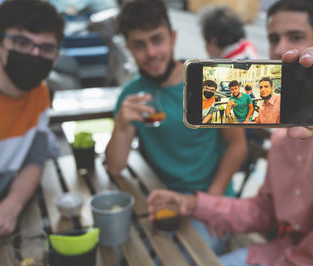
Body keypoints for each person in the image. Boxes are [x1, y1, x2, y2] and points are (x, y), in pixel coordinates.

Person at [147, 0, 313, 265]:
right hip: (285, 256)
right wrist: (193, 203)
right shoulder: (283, 137)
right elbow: (263, 211)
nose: (279, 49)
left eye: (295, 36)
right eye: (273, 38)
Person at [104, 0, 246, 253]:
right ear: (128, 48)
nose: (151, 53)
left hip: (209, 199)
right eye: (139, 45)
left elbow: (237, 146)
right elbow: (115, 167)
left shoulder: (209, 82)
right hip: (159, 200)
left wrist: (212, 202)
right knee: (115, 247)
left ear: (173, 37)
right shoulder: (132, 95)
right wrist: (121, 125)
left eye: (157, 40)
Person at [0, 0, 64, 238]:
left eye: (45, 48)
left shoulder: (39, 94)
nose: (34, 55)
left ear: (55, 58)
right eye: (22, 42)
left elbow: (35, 157)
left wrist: (12, 205)